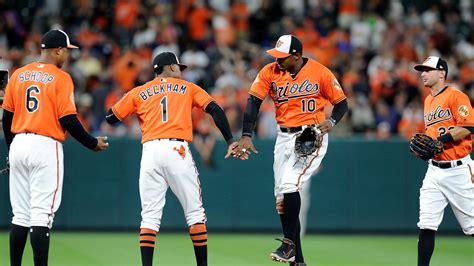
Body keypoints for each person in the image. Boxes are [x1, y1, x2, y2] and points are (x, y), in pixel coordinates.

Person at [105, 52, 238, 266]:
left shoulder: (139, 92)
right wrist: (230, 140)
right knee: (194, 212)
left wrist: (133, 103)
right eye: (179, 67)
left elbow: (111, 118)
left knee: (149, 216)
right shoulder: (187, 88)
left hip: (150, 151)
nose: (180, 71)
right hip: (177, 149)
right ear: (171, 67)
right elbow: (215, 109)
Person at [233, 35, 348, 265]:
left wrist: (332, 122)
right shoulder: (270, 72)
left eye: (282, 57)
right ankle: (298, 259)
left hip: (309, 135)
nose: (277, 61)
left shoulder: (320, 72)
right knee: (281, 197)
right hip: (283, 136)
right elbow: (253, 102)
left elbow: (342, 102)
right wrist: (246, 134)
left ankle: (288, 245)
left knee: (289, 184)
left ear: (296, 56)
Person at [2, 29, 109, 266]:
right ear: (58, 50)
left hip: (19, 142)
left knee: (20, 215)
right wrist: (91, 143)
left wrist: (11, 150)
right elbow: (68, 120)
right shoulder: (61, 78)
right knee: (41, 215)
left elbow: (7, 119)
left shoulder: (19, 74)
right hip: (44, 146)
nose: (67, 56)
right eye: (66, 51)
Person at [413, 56, 473, 266]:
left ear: (442, 73)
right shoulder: (428, 100)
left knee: (472, 228)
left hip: (459, 170)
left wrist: (441, 140)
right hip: (435, 171)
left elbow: (469, 126)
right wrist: (427, 148)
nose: (423, 74)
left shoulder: (456, 96)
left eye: (428, 70)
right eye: (422, 70)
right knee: (426, 224)